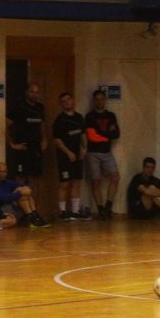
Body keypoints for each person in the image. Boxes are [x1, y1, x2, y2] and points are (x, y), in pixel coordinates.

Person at [84, 88, 122, 219]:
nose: (99, 101)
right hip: (93, 152)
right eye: (97, 99)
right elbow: (92, 136)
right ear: (94, 101)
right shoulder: (89, 116)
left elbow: (116, 134)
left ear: (105, 100)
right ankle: (100, 210)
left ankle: (108, 207)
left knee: (115, 177)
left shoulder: (111, 115)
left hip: (107, 152)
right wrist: (107, 134)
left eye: (101, 99)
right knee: (96, 181)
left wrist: (100, 134)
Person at [51, 91, 88, 220]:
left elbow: (83, 134)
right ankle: (62, 212)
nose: (67, 102)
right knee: (64, 184)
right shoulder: (59, 120)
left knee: (77, 182)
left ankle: (75, 211)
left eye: (68, 100)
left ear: (73, 100)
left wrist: (84, 148)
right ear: (61, 104)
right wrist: (68, 152)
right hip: (65, 156)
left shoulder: (79, 117)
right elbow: (57, 140)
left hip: (78, 155)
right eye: (63, 101)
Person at [0, 161, 39, 228]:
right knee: (12, 221)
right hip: (0, 209)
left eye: (4, 172)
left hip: (10, 206)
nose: (2, 174)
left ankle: (33, 214)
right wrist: (20, 193)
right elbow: (3, 199)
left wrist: (27, 188)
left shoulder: (6, 182)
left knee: (23, 189)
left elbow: (22, 185)